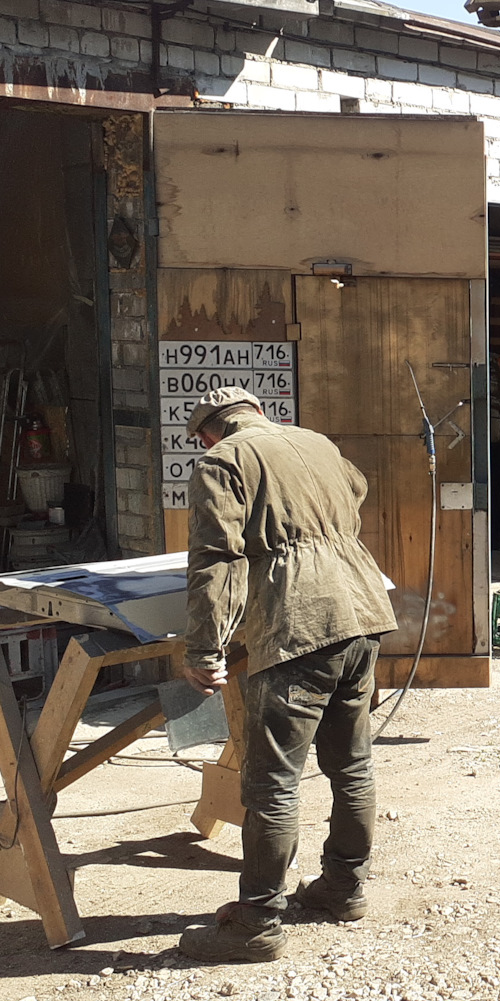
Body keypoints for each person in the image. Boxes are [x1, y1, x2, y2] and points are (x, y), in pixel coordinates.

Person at [175, 386, 398, 963]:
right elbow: (356, 490)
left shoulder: (222, 461)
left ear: (208, 433)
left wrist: (204, 649)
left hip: (300, 623)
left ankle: (255, 924)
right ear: (257, 413)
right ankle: (343, 888)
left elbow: (217, 560)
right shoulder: (316, 443)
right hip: (362, 611)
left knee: (271, 783)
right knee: (351, 764)